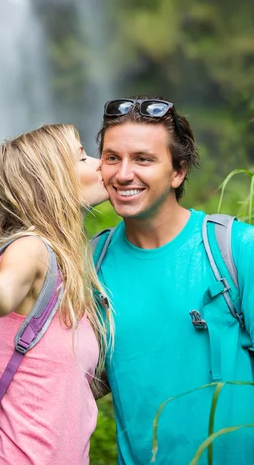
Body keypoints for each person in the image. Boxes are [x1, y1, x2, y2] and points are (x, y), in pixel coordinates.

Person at [94, 96, 254, 464]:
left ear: (178, 172)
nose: (122, 174)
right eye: (112, 157)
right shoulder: (91, 264)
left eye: (143, 159)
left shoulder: (234, 250)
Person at [0, 123, 111, 465]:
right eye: (82, 158)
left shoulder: (68, 265)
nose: (100, 163)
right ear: (47, 182)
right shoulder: (29, 249)